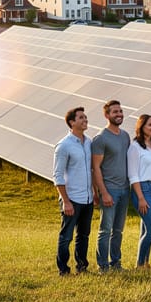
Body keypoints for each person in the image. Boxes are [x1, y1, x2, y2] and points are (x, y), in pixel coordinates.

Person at [52, 106, 95, 276]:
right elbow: (57, 175)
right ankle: (63, 269)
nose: (85, 120)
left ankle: (82, 266)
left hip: (88, 199)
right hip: (72, 199)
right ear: (72, 122)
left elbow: (91, 170)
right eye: (81, 118)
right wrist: (66, 201)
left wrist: (95, 194)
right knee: (66, 236)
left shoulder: (89, 142)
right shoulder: (64, 146)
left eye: (86, 117)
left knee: (83, 235)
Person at [92, 99, 131, 272]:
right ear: (106, 115)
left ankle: (116, 263)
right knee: (105, 230)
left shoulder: (125, 136)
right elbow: (96, 169)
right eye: (115, 112)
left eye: (120, 111)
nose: (119, 114)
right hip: (110, 190)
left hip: (125, 189)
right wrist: (103, 192)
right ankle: (103, 266)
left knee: (118, 230)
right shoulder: (100, 138)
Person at [128, 114, 151, 268]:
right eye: (149, 125)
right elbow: (133, 174)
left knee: (146, 228)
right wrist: (141, 197)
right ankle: (139, 264)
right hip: (144, 190)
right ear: (141, 127)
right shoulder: (135, 147)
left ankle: (145, 262)